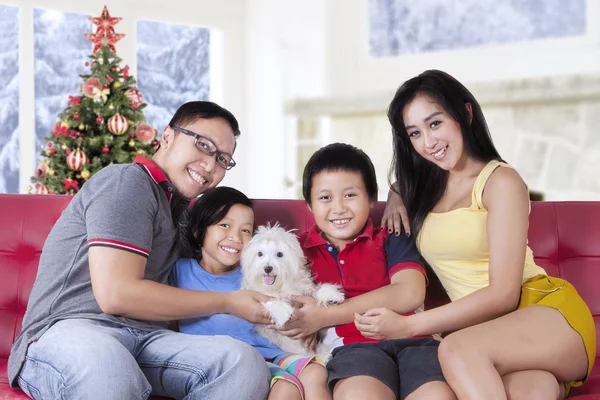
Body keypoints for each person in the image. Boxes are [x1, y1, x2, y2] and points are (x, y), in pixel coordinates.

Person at [8, 101, 271, 400]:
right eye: (203, 145)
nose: (211, 165)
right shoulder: (127, 182)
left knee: (242, 363)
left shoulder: (183, 213)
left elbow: (220, 269)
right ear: (168, 136)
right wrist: (229, 303)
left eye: (223, 159)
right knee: (107, 368)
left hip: (148, 340)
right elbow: (117, 295)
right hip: (72, 332)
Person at [363, 69, 596, 399]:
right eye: (414, 133)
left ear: (465, 113)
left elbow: (504, 294)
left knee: (455, 349)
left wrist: (410, 325)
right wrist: (397, 194)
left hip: (546, 314)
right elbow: (402, 181)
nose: (428, 143)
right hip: (495, 340)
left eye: (435, 123)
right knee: (534, 391)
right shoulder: (425, 188)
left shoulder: (500, 182)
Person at [272, 143, 456, 400]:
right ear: (310, 205)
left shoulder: (392, 236)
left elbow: (410, 293)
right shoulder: (297, 249)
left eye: (350, 195)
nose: (338, 208)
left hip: (415, 341)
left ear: (372, 198)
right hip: (354, 348)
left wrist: (323, 316)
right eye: (325, 198)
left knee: (436, 396)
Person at [171, 186, 331, 400]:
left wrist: (305, 323)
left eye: (245, 230)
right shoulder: (179, 270)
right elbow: (168, 317)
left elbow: (287, 299)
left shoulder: (255, 274)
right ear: (197, 230)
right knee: (286, 389)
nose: (236, 237)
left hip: (268, 352)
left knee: (314, 372)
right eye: (225, 225)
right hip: (219, 359)